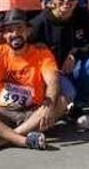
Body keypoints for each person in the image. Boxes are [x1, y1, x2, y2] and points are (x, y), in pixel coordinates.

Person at [29, 0, 89, 115]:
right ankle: (67, 103)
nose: (66, 1)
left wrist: (75, 54)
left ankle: (80, 101)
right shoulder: (40, 22)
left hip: (75, 68)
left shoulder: (83, 17)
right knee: (69, 91)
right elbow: (28, 52)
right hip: (52, 73)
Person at [0, 10, 61, 150]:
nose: (15, 34)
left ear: (28, 31)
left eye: (20, 28)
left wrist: (49, 104)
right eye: (9, 30)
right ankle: (24, 141)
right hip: (3, 111)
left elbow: (53, 81)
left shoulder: (42, 54)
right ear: (4, 35)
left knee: (61, 101)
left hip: (32, 114)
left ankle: (9, 138)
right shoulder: (1, 52)